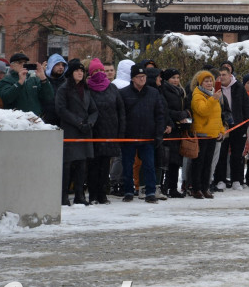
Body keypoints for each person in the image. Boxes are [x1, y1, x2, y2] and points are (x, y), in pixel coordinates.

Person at [118, 64, 167, 203]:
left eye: (144, 77)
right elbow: (121, 116)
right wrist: (121, 135)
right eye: (139, 77)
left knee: (149, 165)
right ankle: (128, 191)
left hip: (148, 136)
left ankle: (150, 192)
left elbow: (159, 115)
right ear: (133, 78)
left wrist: (158, 134)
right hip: (129, 136)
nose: (142, 79)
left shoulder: (153, 93)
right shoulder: (123, 93)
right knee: (127, 165)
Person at [56, 59, 97, 206]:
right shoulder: (64, 88)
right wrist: (78, 122)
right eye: (77, 71)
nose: (80, 73)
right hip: (71, 130)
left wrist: (90, 123)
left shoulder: (86, 89)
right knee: (67, 165)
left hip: (85, 131)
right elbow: (61, 109)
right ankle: (63, 196)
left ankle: (80, 195)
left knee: (82, 164)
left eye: (82, 71)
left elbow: (94, 110)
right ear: (71, 73)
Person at [86, 58, 126, 204]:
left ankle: (102, 194)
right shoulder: (87, 89)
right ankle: (92, 195)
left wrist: (121, 132)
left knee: (104, 166)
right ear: (90, 73)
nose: (99, 73)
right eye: (95, 71)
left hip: (110, 132)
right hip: (93, 133)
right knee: (93, 166)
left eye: (101, 70)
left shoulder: (112, 88)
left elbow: (121, 111)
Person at [213, 62, 249, 191]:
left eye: (224, 74)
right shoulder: (216, 88)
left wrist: (245, 124)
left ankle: (237, 180)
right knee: (221, 154)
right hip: (223, 126)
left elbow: (246, 107)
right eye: (220, 75)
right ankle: (220, 180)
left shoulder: (239, 87)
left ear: (230, 75)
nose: (222, 77)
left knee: (237, 155)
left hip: (238, 125)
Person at [189, 70, 224, 199]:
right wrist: (213, 99)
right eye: (206, 81)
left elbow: (217, 115)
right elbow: (203, 111)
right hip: (202, 133)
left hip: (213, 134)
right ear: (201, 83)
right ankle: (196, 188)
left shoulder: (214, 94)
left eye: (211, 81)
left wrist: (221, 130)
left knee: (208, 163)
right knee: (199, 162)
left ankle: (205, 187)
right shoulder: (197, 95)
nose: (209, 83)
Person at [159, 68, 190, 198]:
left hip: (179, 129)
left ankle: (172, 187)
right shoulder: (164, 91)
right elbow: (165, 109)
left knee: (176, 160)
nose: (176, 80)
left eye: (177, 77)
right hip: (169, 129)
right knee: (168, 160)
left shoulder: (181, 91)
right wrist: (179, 115)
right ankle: (165, 186)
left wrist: (187, 115)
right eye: (173, 78)